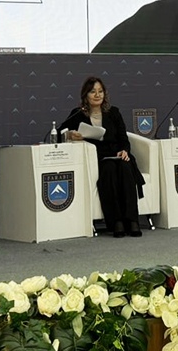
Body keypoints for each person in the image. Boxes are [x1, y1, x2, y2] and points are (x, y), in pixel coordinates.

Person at [61, 77, 146, 238]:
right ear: (85, 95)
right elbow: (59, 132)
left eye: (100, 91)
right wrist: (70, 135)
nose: (97, 95)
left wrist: (124, 151)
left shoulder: (114, 113)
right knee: (109, 169)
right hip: (99, 159)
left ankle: (132, 220)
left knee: (125, 167)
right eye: (93, 91)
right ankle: (116, 222)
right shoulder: (77, 114)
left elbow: (124, 138)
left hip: (118, 155)